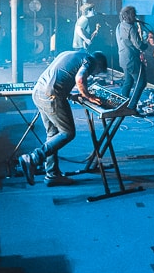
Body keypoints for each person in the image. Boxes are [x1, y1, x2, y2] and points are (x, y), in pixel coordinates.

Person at [19, 49, 109, 187]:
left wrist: (69, 94)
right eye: (96, 72)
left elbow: (60, 75)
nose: (94, 74)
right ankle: (33, 158)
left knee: (53, 134)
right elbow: (80, 78)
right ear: (99, 64)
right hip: (51, 97)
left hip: (39, 92)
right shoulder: (90, 61)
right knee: (67, 133)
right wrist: (88, 96)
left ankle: (52, 175)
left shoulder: (72, 54)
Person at [116, 5, 148, 98]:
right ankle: (132, 105)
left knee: (128, 81)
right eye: (134, 15)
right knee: (141, 83)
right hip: (131, 60)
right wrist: (145, 45)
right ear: (130, 15)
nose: (135, 17)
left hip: (123, 58)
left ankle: (123, 103)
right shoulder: (131, 28)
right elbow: (138, 45)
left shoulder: (119, 25)